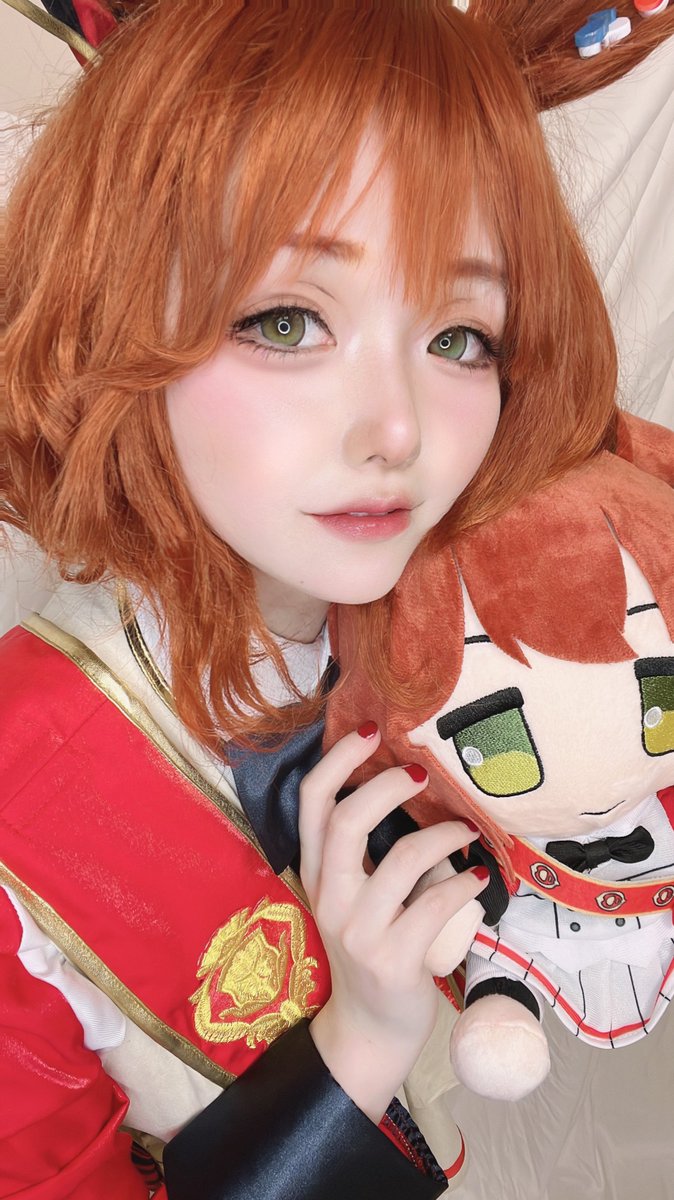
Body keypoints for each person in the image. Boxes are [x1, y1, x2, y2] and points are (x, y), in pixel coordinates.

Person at [0, 1, 652, 1196]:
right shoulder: (20, 805)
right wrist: (353, 1046)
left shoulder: (472, 624)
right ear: (108, 312)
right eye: (287, 320)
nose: (396, 430)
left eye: (459, 336)